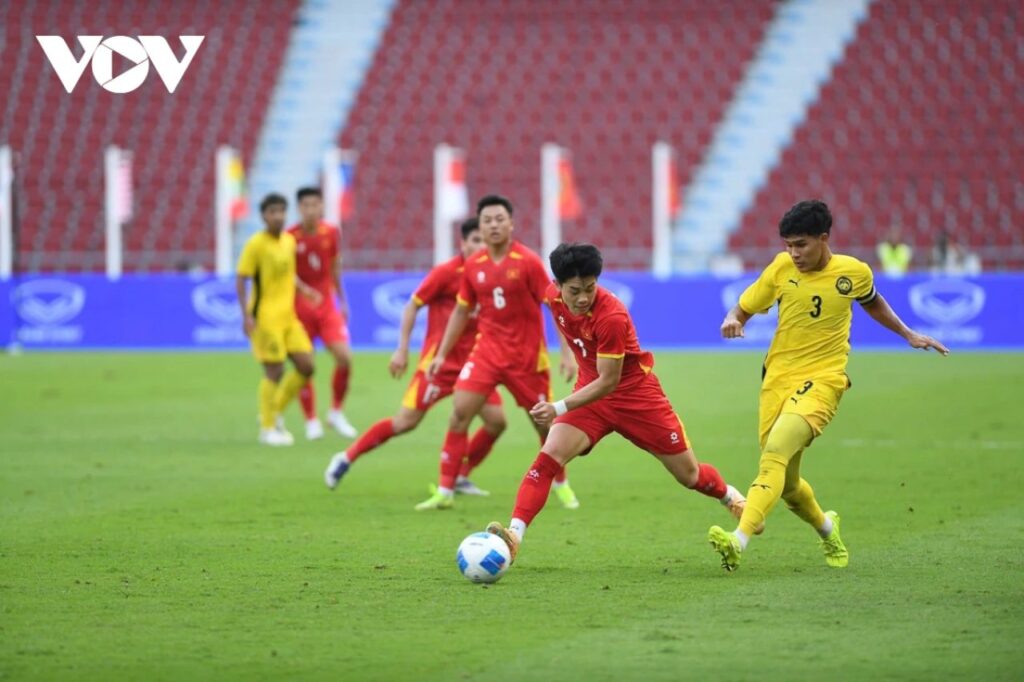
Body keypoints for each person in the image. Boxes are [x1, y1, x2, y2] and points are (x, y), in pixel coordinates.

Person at [710, 199, 949, 571]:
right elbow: (743, 307)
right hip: (777, 379)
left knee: (775, 450)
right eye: (789, 245)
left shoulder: (853, 272)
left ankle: (738, 540)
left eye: (801, 245)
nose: (794, 253)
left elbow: (872, 302)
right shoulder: (780, 268)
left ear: (823, 239)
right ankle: (827, 529)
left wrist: (908, 334)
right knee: (788, 486)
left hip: (824, 379)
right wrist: (733, 319)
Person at [484, 243, 749, 564]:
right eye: (575, 291)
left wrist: (559, 407)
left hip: (636, 397)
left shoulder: (611, 315)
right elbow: (556, 314)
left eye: (590, 288)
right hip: (590, 396)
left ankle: (731, 497)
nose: (583, 297)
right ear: (558, 285)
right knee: (548, 458)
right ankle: (514, 535)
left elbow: (609, 381)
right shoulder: (553, 297)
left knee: (689, 475)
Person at [415, 194, 580, 511]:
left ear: (511, 224)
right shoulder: (473, 265)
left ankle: (561, 483)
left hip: (526, 359)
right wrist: (441, 354)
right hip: (486, 354)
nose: (493, 225)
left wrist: (567, 353)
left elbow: (555, 305)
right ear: (480, 226)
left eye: (499, 219)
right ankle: (446, 491)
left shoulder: (528, 262)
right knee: (459, 413)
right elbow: (461, 311)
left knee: (543, 424)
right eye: (487, 221)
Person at [323, 218, 505, 494]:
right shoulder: (446, 273)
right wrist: (402, 349)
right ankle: (346, 457)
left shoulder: (491, 274)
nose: (481, 246)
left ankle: (459, 476)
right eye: (475, 240)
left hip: (475, 364)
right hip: (439, 365)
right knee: (404, 422)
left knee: (496, 422)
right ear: (463, 243)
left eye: (485, 241)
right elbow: (412, 306)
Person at [235, 193, 318, 446]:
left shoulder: (289, 241)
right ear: (263, 216)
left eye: (281, 211)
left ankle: (274, 411)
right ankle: (268, 429)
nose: (278, 216)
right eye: (272, 212)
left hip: (288, 317)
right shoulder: (255, 245)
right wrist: (246, 315)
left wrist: (304, 289)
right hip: (265, 317)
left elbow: (288, 274)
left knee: (307, 366)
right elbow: (241, 278)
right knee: (275, 370)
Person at [287, 187, 358, 440]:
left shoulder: (331, 233)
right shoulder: (289, 237)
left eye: (315, 205)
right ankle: (311, 420)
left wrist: (343, 300)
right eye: (306, 205)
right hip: (299, 307)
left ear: (322, 206)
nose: (310, 210)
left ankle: (336, 413)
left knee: (344, 357)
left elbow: (334, 267)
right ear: (299, 208)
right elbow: (285, 273)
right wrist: (303, 290)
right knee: (305, 365)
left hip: (326, 305)